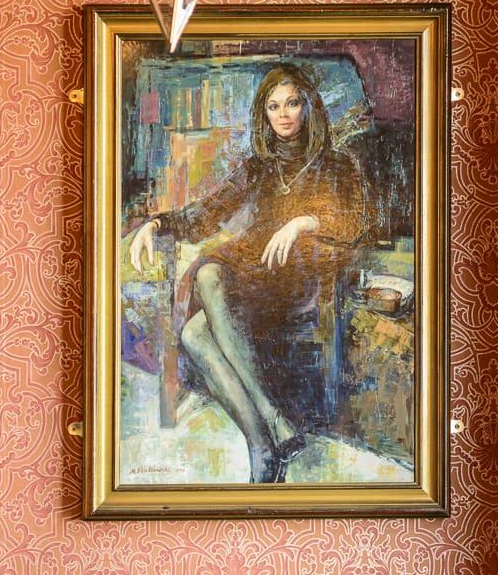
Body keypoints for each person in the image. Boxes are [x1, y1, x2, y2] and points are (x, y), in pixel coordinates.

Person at [128, 62, 365, 483]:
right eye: (274, 106)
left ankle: (269, 424)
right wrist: (158, 223)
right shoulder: (259, 166)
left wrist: (302, 222)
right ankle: (265, 442)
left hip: (296, 285)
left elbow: (354, 222)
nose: (284, 114)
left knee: (200, 314)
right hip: (250, 276)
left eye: (292, 103)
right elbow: (207, 213)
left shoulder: (335, 165)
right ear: (264, 115)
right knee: (196, 320)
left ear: (308, 106)